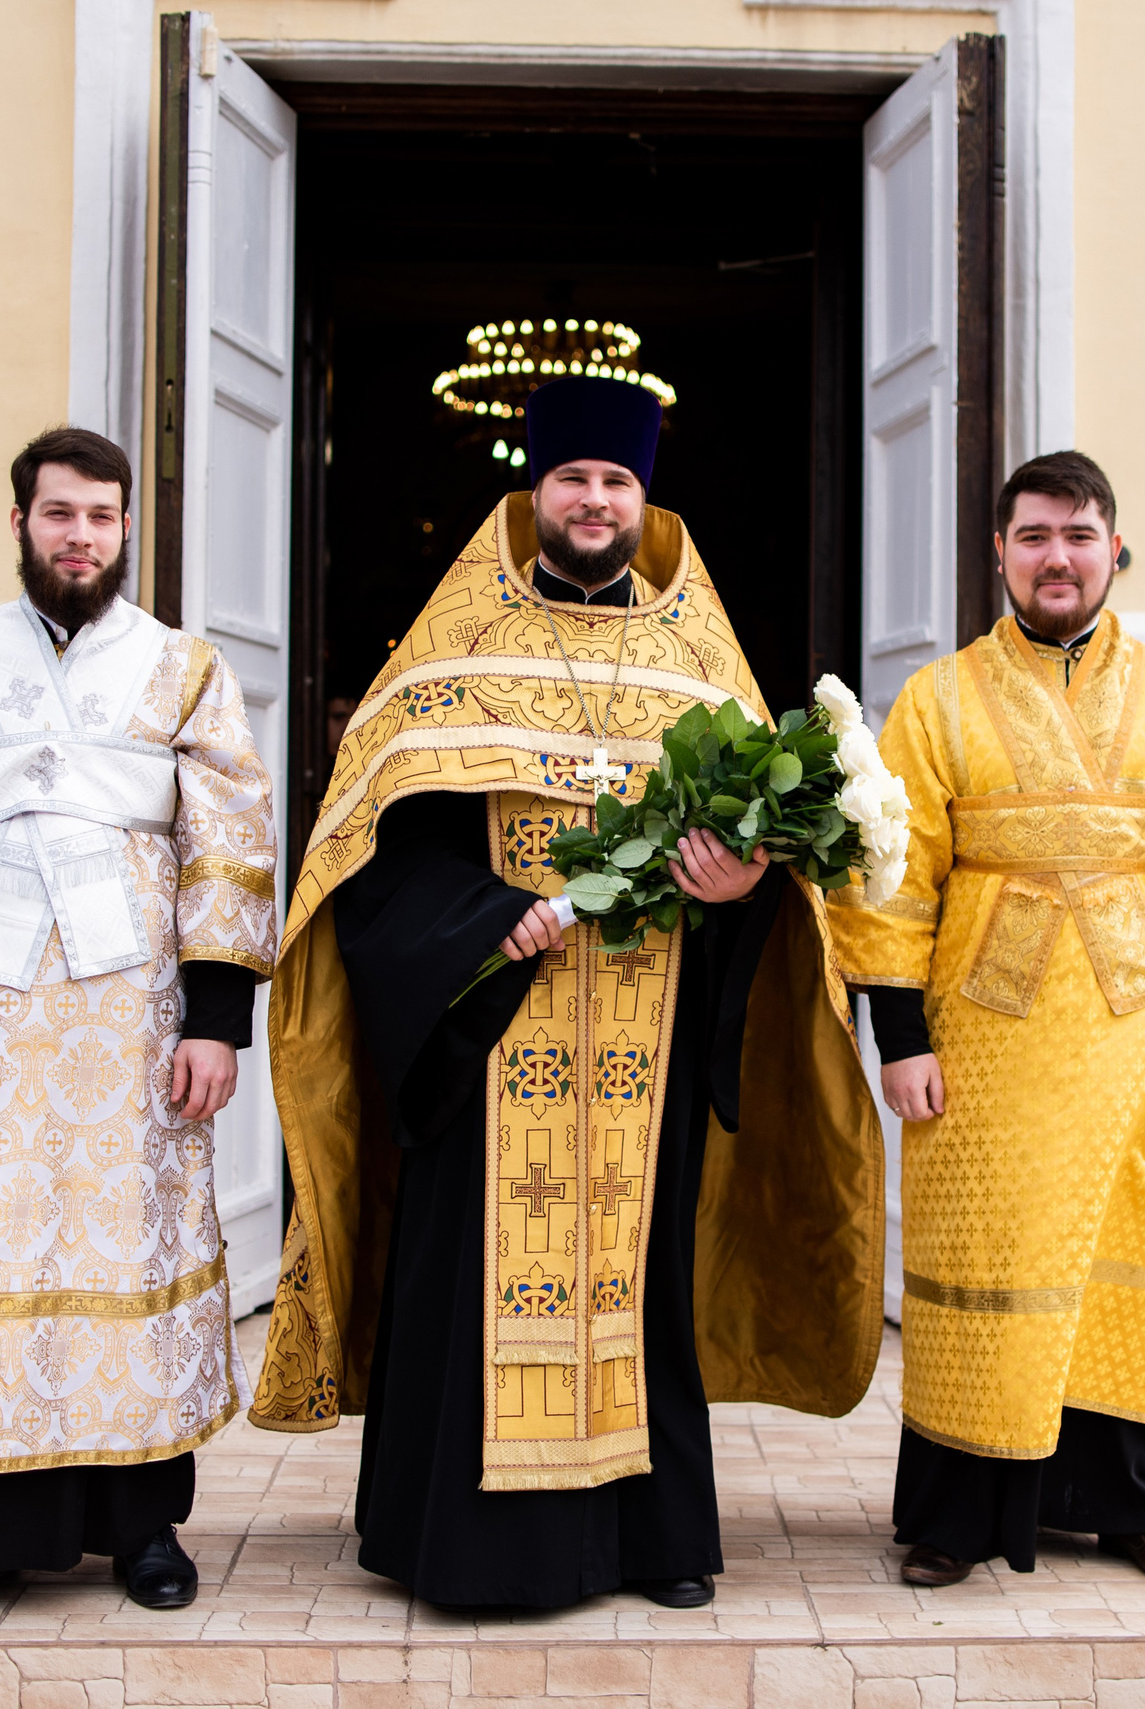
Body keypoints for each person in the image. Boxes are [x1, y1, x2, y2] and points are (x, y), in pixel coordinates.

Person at [247, 377, 885, 1610]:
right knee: (473, 1268)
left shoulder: (699, 662)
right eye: (573, 480)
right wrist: (492, 921)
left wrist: (741, 875)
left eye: (617, 483)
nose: (594, 500)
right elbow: (370, 855)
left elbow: (776, 879)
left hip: (649, 1041)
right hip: (487, 1024)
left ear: (644, 504)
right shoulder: (451, 655)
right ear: (533, 494)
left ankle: (649, 1538)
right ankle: (459, 1541)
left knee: (637, 1274)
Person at [828, 451, 1145, 1591]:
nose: (1057, 557)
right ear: (999, 551)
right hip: (983, 1029)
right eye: (1033, 535)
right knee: (986, 1255)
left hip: (1139, 1026)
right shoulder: (937, 698)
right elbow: (893, 875)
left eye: (1079, 535)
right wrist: (901, 1037)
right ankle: (953, 1514)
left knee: (1124, 1254)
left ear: (1114, 547)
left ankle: (1130, 1504)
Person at [0, 427, 280, 1610]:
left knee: (127, 1238)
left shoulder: (183, 669)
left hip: (132, 1020)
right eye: (58, 514)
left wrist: (217, 1017)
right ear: (23, 524)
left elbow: (229, 839)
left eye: (100, 515)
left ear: (128, 527)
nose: (79, 535)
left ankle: (143, 1529)